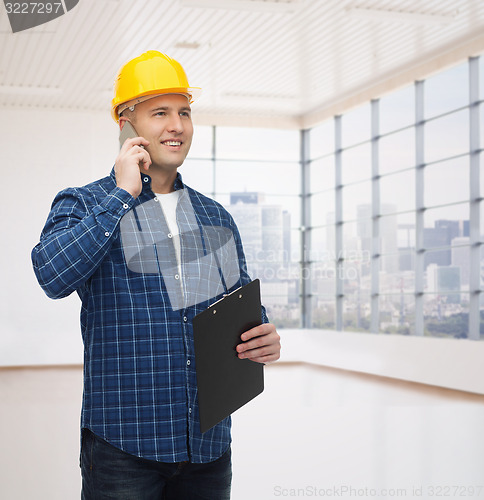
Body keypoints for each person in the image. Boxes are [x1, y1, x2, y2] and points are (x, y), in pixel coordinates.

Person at [31, 50, 281, 499]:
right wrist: (122, 193)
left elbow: (234, 304)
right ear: (126, 124)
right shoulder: (85, 204)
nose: (177, 126)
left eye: (184, 112)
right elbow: (52, 275)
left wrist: (261, 332)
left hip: (205, 446)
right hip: (123, 449)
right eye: (160, 112)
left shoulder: (213, 217)